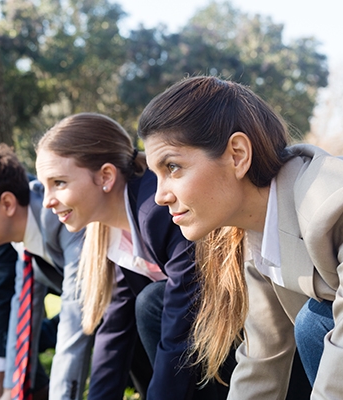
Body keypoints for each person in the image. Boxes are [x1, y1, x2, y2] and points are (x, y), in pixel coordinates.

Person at [138, 75, 336, 398]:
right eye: (155, 175)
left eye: (172, 167)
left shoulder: (329, 203)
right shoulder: (258, 237)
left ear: (237, 155)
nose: (160, 196)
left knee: (315, 323)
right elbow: (261, 362)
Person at [36, 112, 230, 400]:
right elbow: (113, 332)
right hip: (196, 337)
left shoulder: (157, 211)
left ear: (105, 176)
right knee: (138, 311)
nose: (47, 200)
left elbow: (181, 317)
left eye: (59, 183)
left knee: (153, 301)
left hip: (237, 333)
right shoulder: (108, 234)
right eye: (45, 185)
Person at [0, 144, 93, 400]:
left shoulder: (63, 222)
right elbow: (22, 313)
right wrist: (10, 391)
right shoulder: (24, 235)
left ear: (7, 203)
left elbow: (74, 323)